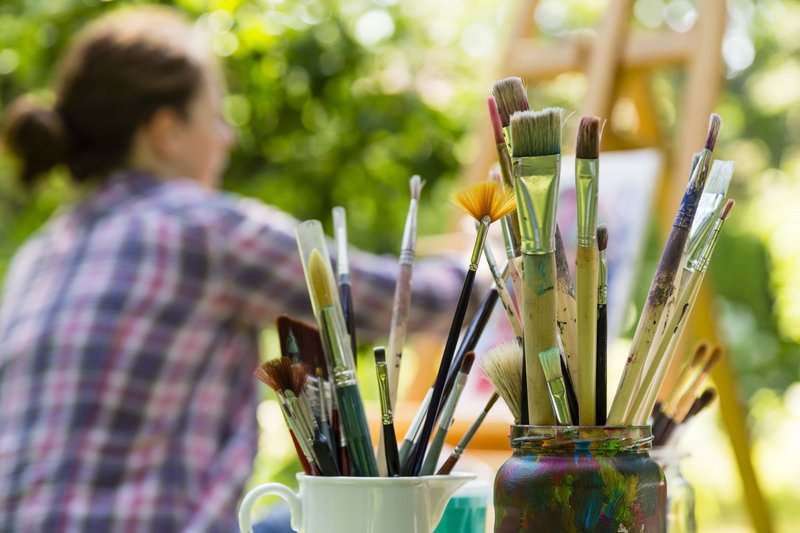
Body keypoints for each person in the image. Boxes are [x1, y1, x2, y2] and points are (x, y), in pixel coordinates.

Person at [0, 7, 473, 532]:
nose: (228, 138)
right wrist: (493, 257)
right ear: (166, 130)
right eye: (217, 116)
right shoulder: (203, 229)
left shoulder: (39, 255)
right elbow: (395, 302)